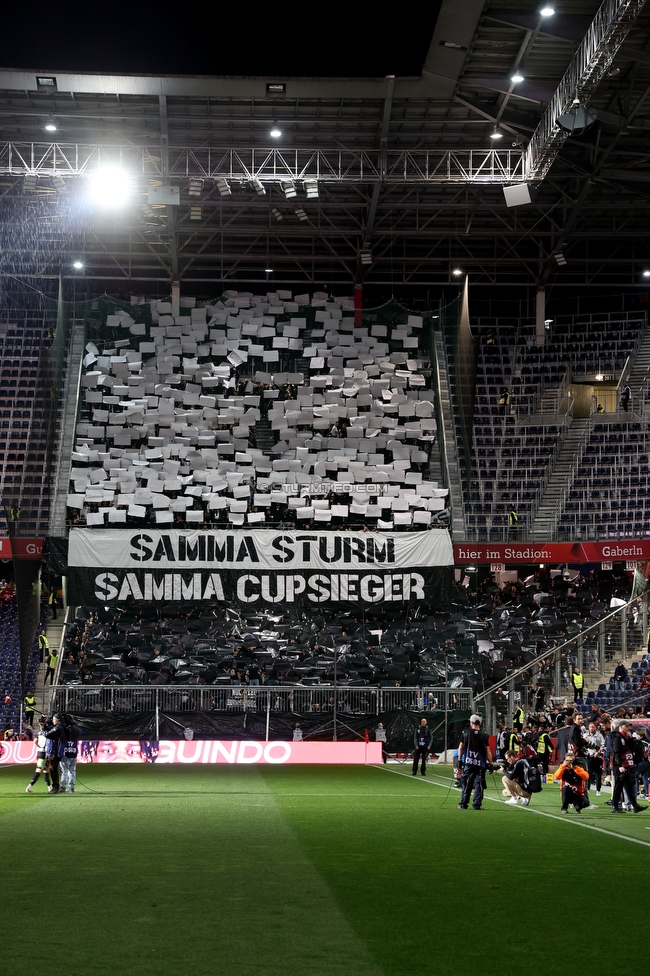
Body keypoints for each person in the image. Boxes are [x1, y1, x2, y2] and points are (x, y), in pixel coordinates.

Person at [457, 714, 493, 811]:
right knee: (479, 785)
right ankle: (477, 805)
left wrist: (460, 760)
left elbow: (461, 748)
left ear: (471, 723)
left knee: (466, 784)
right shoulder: (484, 736)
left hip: (469, 762)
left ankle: (463, 804)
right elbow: (488, 751)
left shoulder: (465, 733)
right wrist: (491, 763)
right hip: (480, 764)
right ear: (479, 723)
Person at [611, 722, 646, 813]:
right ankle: (615, 806)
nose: (628, 728)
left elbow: (631, 748)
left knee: (628, 786)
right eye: (626, 726)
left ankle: (635, 805)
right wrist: (619, 765)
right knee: (619, 787)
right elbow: (616, 752)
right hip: (621, 766)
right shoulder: (617, 737)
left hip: (626, 765)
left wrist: (630, 738)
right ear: (621, 726)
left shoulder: (625, 737)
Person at [25, 718, 53, 793]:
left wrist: (39, 746)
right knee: (42, 770)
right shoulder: (47, 733)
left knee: (44, 770)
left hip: (39, 752)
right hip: (44, 753)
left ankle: (49, 787)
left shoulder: (40, 733)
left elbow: (35, 741)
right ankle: (30, 786)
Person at [59, 715, 81, 794]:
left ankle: (62, 787)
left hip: (65, 752)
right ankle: (71, 787)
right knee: (72, 771)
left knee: (64, 771)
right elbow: (80, 731)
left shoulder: (63, 729)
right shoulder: (75, 728)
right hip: (73, 751)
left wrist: (59, 754)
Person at [584, 721, 605, 796]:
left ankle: (598, 790)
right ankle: (588, 789)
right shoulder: (585, 735)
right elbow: (583, 745)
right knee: (588, 773)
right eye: (590, 727)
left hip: (597, 757)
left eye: (593, 727)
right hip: (588, 756)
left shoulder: (599, 735)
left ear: (595, 727)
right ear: (588, 727)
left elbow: (603, 745)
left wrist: (598, 752)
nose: (591, 728)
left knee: (597, 773)